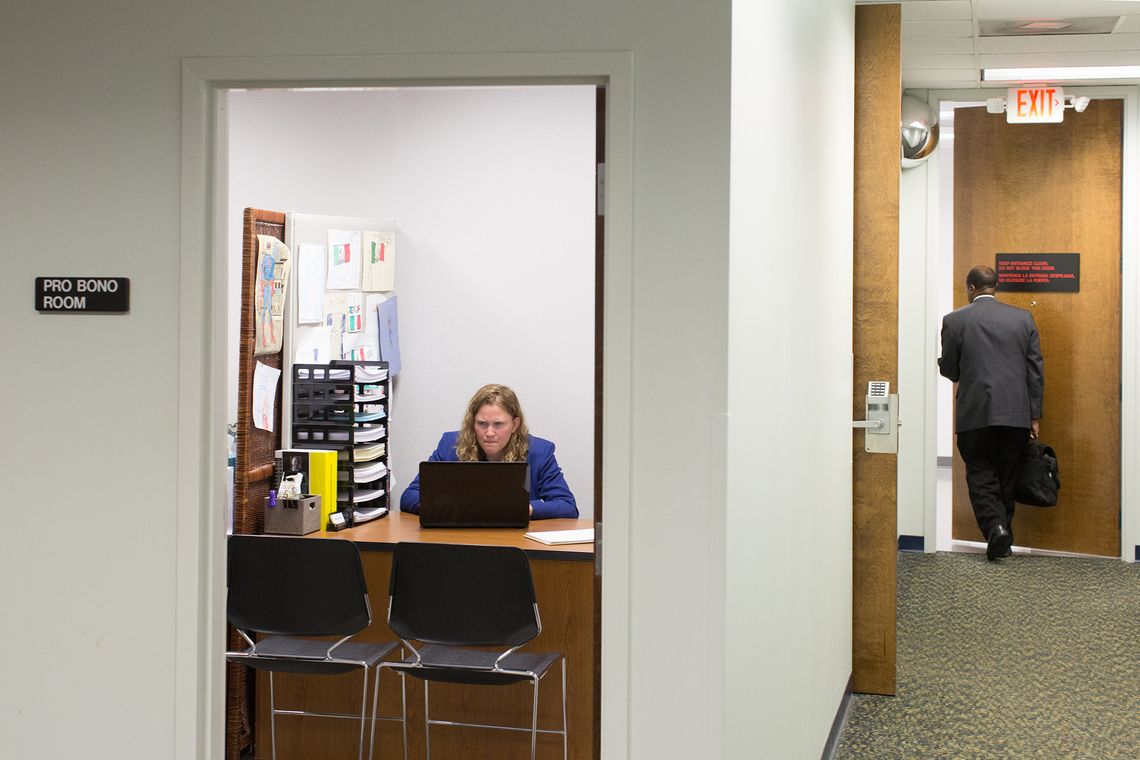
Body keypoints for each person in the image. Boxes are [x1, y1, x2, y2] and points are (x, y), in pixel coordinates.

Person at [939, 265, 1044, 561]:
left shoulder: (954, 320)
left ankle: (996, 528)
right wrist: (1034, 415)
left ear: (971, 287)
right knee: (1007, 476)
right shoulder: (1023, 319)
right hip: (1016, 413)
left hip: (976, 412)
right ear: (995, 286)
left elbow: (950, 369)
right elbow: (1035, 372)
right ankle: (1003, 537)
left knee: (980, 472)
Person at [400, 384, 578, 519]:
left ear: (515, 424)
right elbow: (409, 496)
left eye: (499, 424)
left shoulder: (539, 452)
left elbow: (567, 506)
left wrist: (525, 508)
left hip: (516, 543)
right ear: (472, 423)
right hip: (460, 539)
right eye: (482, 424)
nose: (489, 433)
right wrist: (445, 506)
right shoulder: (450, 445)